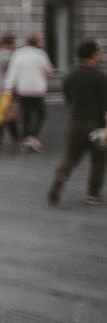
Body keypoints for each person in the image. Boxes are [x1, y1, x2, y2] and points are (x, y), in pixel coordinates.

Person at [48, 40, 106, 206]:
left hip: (76, 124)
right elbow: (105, 106)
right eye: (99, 52)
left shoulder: (71, 75)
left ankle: (61, 176)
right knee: (99, 159)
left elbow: (68, 98)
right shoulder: (100, 77)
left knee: (71, 158)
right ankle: (93, 195)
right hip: (96, 126)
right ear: (94, 55)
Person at [4, 33, 54, 152]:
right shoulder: (41, 54)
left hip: (23, 89)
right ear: (37, 42)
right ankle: (33, 137)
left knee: (26, 115)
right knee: (41, 114)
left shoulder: (18, 54)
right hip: (37, 89)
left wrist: (9, 87)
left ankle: (26, 138)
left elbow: (12, 72)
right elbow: (49, 70)